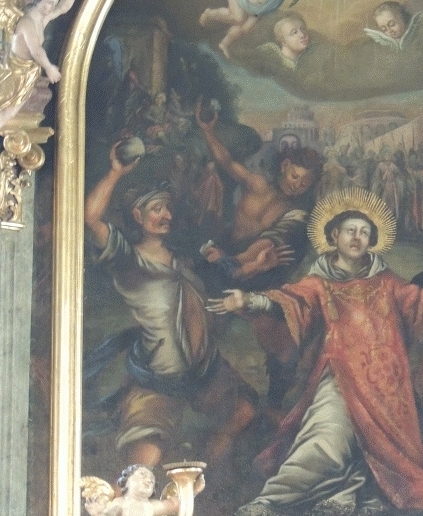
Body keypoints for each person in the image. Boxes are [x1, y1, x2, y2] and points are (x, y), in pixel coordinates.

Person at [207, 189, 423, 516]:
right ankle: (269, 501)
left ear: (372, 241)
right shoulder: (320, 282)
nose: (357, 237)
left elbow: (418, 299)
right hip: (339, 376)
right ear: (334, 236)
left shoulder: (385, 280)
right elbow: (291, 301)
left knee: (384, 453)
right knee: (324, 438)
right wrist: (249, 300)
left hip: (386, 386)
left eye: (364, 232)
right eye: (350, 230)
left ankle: (348, 493)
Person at [84, 143, 258, 469]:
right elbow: (91, 218)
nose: (166, 215)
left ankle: (204, 481)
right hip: (159, 378)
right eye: (156, 209)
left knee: (244, 410)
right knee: (144, 460)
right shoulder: (128, 258)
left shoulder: (181, 259)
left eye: (167, 208)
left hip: (204, 371)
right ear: (138, 216)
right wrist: (115, 173)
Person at [196, 103, 323, 410]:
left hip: (254, 272)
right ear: (285, 166)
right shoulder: (257, 184)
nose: (296, 185)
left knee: (279, 341)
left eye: (304, 183)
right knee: (201, 327)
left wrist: (239, 263)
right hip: (219, 263)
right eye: (295, 176)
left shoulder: (296, 213)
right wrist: (208, 131)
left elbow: (267, 246)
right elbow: (225, 161)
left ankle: (274, 404)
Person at [0, 0, 75, 129]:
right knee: (5, 109)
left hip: (28, 73)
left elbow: (63, 7)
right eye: (49, 2)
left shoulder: (42, 18)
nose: (51, 7)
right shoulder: (26, 22)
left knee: (10, 113)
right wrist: (49, 68)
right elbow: (36, 51)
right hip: (14, 74)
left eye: (53, 3)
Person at [82, 464, 205, 516]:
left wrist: (193, 491)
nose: (148, 480)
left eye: (152, 479)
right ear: (127, 481)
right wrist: (98, 512)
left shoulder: (153, 505)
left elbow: (177, 504)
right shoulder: (121, 502)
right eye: (142, 474)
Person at [198, 0, 301, 59]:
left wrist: (258, 13)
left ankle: (224, 44)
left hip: (258, 9)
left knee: (246, 28)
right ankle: (209, 13)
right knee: (238, 18)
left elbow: (271, 5)